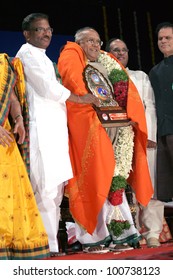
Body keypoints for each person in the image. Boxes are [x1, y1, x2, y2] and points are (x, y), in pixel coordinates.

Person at [57, 26, 154, 252]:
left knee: (115, 177)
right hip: (91, 128)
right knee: (97, 175)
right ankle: (95, 235)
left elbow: (122, 91)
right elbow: (76, 88)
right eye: (89, 41)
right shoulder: (74, 59)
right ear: (78, 43)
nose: (94, 45)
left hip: (116, 126)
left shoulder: (107, 63)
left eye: (97, 41)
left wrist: (126, 114)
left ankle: (121, 231)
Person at [15, 13, 99, 257]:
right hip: (42, 132)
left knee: (55, 191)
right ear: (27, 34)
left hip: (55, 132)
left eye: (48, 29)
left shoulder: (41, 57)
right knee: (44, 189)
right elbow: (48, 89)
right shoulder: (27, 54)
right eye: (39, 30)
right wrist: (81, 98)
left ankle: (51, 245)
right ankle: (43, 246)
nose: (46, 33)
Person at [106, 38, 165, 248]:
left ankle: (152, 233)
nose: (120, 53)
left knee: (148, 185)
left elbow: (150, 106)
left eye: (123, 50)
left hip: (141, 139)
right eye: (115, 50)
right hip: (113, 140)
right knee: (117, 187)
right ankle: (124, 233)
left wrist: (149, 134)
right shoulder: (101, 77)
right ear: (108, 54)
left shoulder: (140, 77)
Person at [0, 53, 50, 259]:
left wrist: (18, 118)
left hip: (6, 137)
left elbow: (11, 96)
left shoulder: (3, 63)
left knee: (11, 192)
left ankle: (13, 247)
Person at [149, 22, 173, 203]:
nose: (163, 41)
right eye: (160, 38)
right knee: (166, 189)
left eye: (168, 38)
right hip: (163, 133)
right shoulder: (154, 72)